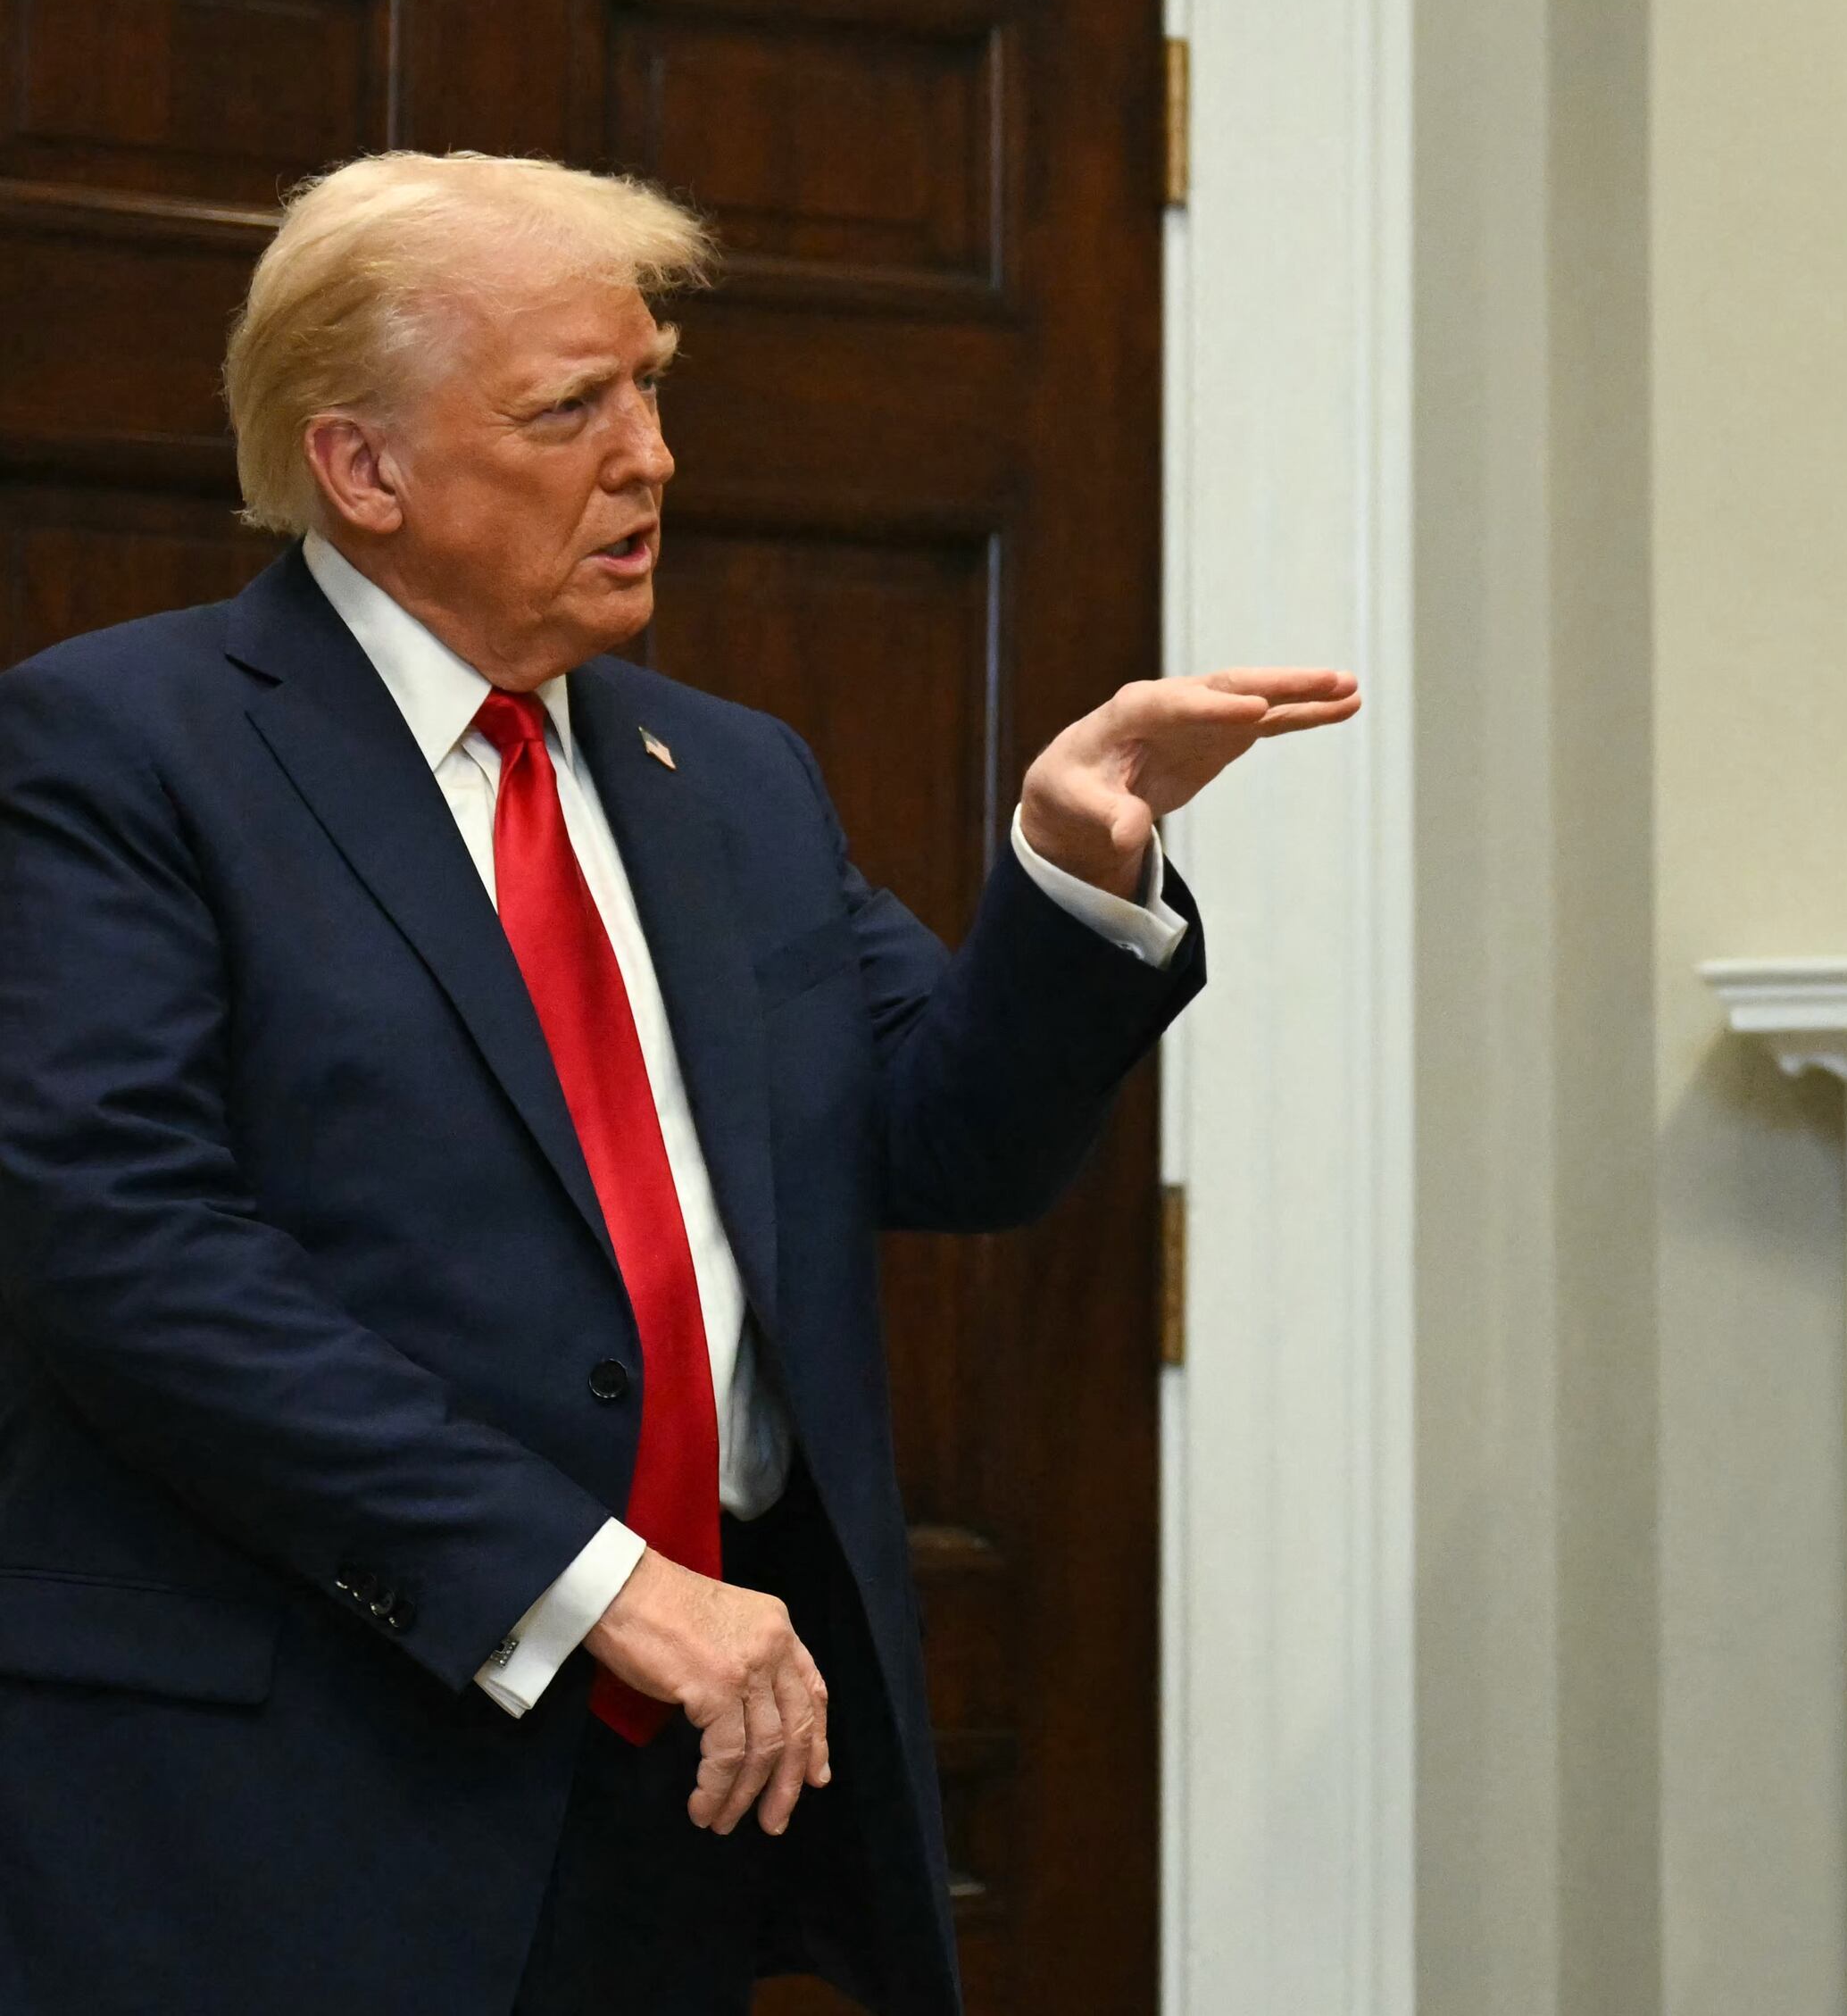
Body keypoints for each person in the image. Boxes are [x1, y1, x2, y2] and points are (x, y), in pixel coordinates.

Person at [0, 154, 1360, 2009]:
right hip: (292, 1789)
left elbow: (943, 1135)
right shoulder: (118, 746)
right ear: (363, 467)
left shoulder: (723, 774)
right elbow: (127, 1254)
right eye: (572, 407)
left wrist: (1069, 872)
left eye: (651, 389)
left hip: (679, 1795)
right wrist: (588, 1576)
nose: (647, 457)